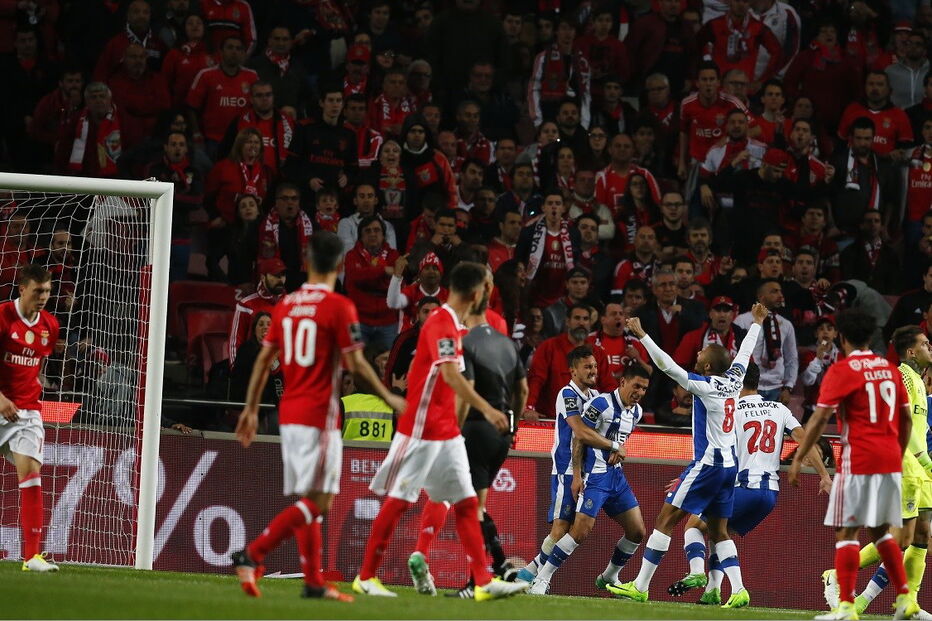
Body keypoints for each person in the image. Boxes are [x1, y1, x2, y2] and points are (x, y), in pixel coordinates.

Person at [231, 231, 405, 602]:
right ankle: (253, 553)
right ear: (341, 265)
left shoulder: (287, 304)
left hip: (290, 411)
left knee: (311, 497)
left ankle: (312, 581)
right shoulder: (339, 306)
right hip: (320, 414)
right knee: (320, 501)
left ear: (307, 263)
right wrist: (390, 395)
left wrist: (249, 409)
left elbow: (264, 359)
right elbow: (357, 364)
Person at [352, 262, 529, 602]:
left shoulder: (455, 326)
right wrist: (489, 409)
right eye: (487, 289)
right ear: (476, 294)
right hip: (422, 428)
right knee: (400, 501)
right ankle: (366, 576)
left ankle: (482, 581)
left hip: (447, 431)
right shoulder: (440, 324)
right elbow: (450, 376)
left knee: (464, 503)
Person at [608, 302, 766, 607]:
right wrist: (757, 322)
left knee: (665, 520)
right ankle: (739, 589)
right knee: (719, 531)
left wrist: (642, 335)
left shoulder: (705, 385)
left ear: (707, 367)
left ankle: (640, 586)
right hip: (730, 466)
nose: (697, 356)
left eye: (701, 356)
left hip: (708, 464)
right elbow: (745, 351)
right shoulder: (736, 378)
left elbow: (667, 366)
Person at [788, 308, 916, 620]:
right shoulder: (889, 370)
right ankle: (904, 599)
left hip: (860, 458)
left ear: (842, 338)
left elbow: (819, 418)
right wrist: (897, 454)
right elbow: (906, 418)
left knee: (846, 534)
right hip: (889, 459)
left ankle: (845, 605)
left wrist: (798, 457)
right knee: (882, 533)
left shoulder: (843, 370)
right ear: (871, 336)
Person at [668, 362, 831, 605]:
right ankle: (713, 590)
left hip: (742, 487)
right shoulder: (779, 408)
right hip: (769, 494)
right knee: (717, 533)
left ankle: (712, 579)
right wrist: (824, 475)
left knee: (692, 526)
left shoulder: (730, 410)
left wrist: (685, 477)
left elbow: (711, 451)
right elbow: (804, 439)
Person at [419, 288, 529, 598]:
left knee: (470, 508)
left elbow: (465, 389)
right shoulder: (507, 344)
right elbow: (523, 389)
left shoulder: (464, 343)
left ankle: (495, 568)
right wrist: (513, 423)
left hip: (476, 431)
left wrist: (453, 429)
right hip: (502, 435)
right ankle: (485, 575)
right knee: (471, 504)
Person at [822, 325, 932, 617]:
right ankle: (839, 573)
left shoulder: (919, 381)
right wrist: (921, 458)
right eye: (925, 344)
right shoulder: (903, 377)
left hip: (919, 467)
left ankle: (908, 606)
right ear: (911, 351)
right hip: (904, 463)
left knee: (921, 535)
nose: (929, 347)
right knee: (901, 538)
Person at [529, 364, 651, 595]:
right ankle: (542, 578)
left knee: (637, 531)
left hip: (617, 478)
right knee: (579, 532)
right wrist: (577, 476)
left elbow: (618, 439)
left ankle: (609, 576)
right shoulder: (601, 404)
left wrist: (616, 451)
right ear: (623, 382)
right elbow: (579, 438)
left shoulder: (636, 412)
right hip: (595, 476)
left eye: (644, 389)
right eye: (636, 386)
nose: (640, 392)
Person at [516, 345, 610, 584]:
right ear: (573, 371)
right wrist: (612, 445)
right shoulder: (567, 394)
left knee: (569, 530)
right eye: (587, 367)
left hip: (586, 471)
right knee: (560, 527)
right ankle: (531, 578)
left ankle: (528, 574)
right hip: (566, 470)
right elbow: (579, 430)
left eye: (595, 366)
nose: (593, 371)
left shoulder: (595, 397)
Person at [0, 265, 60, 572]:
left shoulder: (50, 325)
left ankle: (31, 557)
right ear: (22, 289)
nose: (44, 297)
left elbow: (33, 365)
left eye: (48, 291)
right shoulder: (2, 317)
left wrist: (24, 399)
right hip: (0, 402)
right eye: (38, 291)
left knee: (32, 474)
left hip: (25, 412)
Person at [524, 304, 615, 420]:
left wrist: (616, 410)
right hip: (552, 419)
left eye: (585, 319)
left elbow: (608, 385)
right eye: (577, 318)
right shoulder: (549, 347)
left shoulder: (598, 353)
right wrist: (529, 407)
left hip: (588, 422)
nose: (581, 323)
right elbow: (536, 379)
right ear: (567, 321)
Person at [228, 258, 286, 368]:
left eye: (282, 275)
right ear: (263, 277)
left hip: (284, 374)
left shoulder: (291, 305)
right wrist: (236, 372)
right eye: (275, 276)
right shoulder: (246, 305)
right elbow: (235, 343)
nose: (280, 280)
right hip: (253, 370)